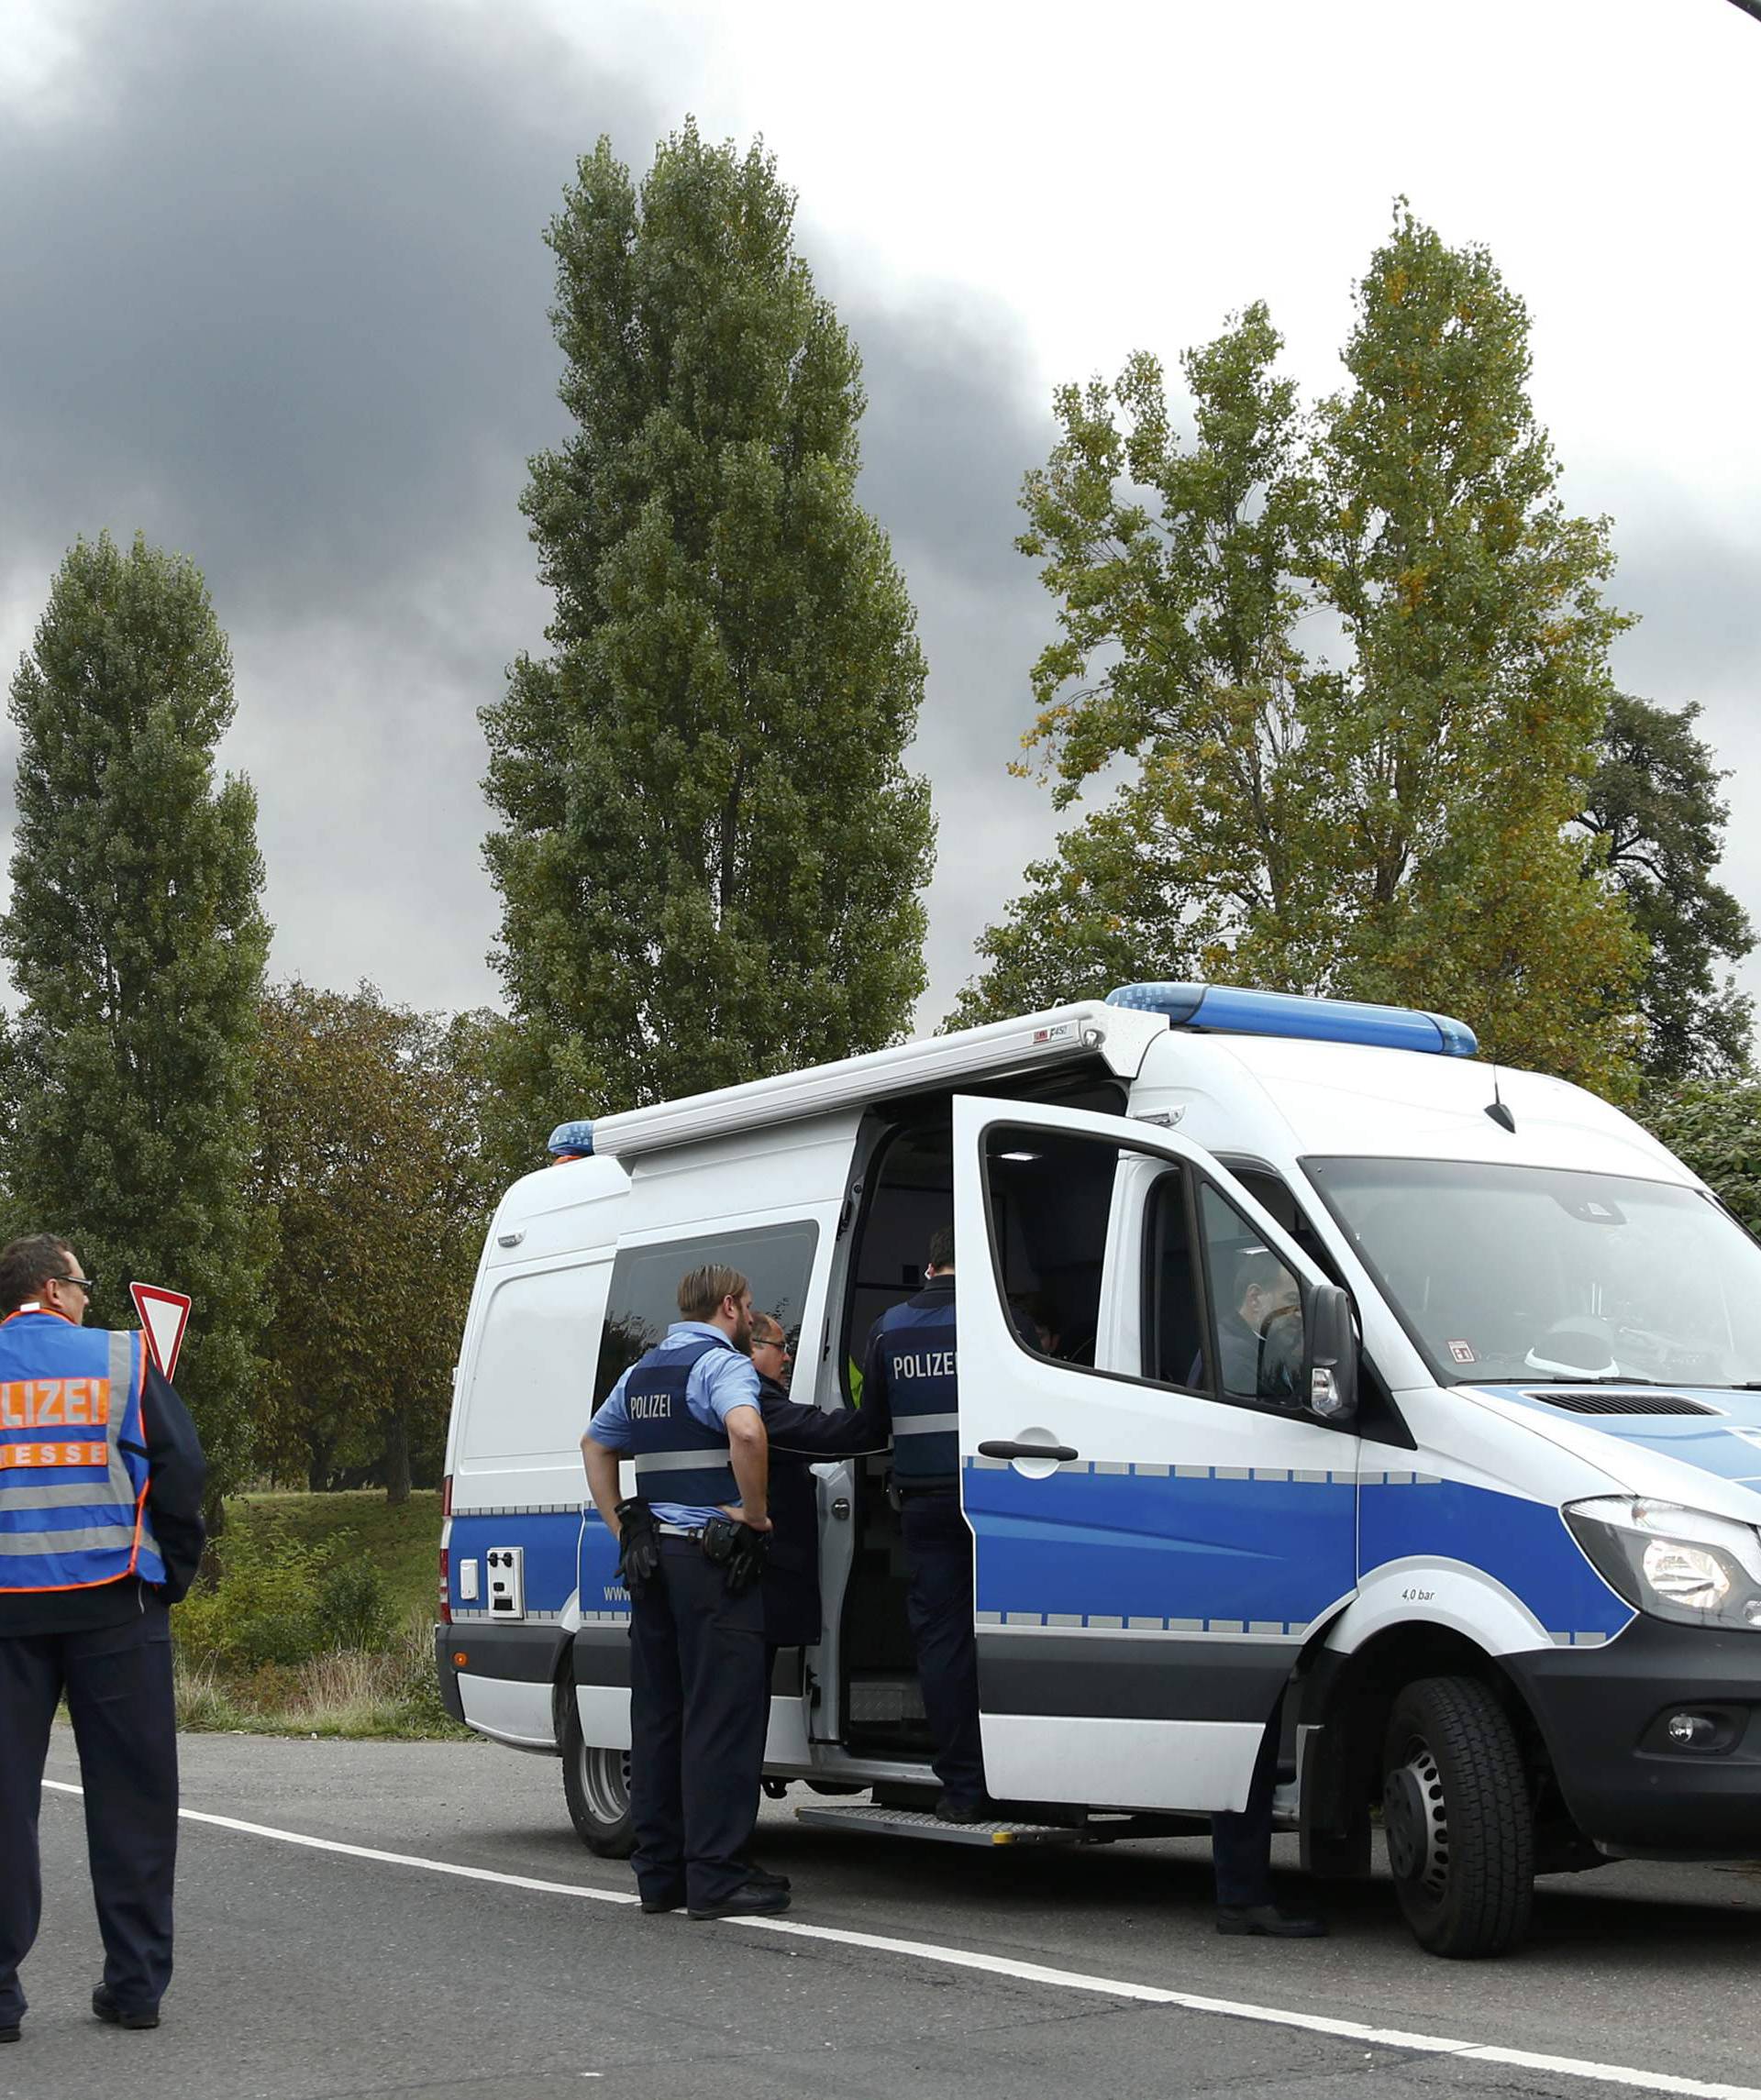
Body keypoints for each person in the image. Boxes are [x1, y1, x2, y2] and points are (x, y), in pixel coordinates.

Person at [0, 1234, 207, 2043]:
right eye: (82, 1285)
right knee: (132, 1801)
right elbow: (182, 1469)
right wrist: (170, 1573)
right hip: (116, 1606)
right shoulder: (121, 1360)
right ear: (53, 1290)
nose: (90, 1300)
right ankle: (134, 1988)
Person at [580, 1265, 784, 1922]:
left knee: (659, 1718)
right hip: (710, 1566)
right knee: (719, 1718)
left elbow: (595, 1443)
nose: (752, 1317)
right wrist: (754, 1514)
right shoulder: (720, 1365)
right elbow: (748, 1433)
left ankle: (661, 1876)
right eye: (749, 1307)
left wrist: (621, 1525)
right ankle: (717, 1877)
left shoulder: (643, 1372)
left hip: (654, 1563)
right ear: (728, 1305)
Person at [861, 1225, 1032, 1823]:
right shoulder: (1003, 1326)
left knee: (943, 1641)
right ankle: (1028, 1770)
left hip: (926, 1506)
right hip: (1006, 1502)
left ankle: (963, 1785)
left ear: (930, 1266)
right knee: (1020, 1634)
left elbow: (871, 1423)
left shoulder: (887, 1329)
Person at [737, 1314, 892, 1884]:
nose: (786, 1358)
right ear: (755, 1346)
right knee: (736, 1724)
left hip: (743, 1584)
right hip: (756, 1583)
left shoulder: (735, 1395)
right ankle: (725, 1857)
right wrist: (887, 1390)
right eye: (782, 1348)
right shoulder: (753, 1402)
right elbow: (829, 1434)